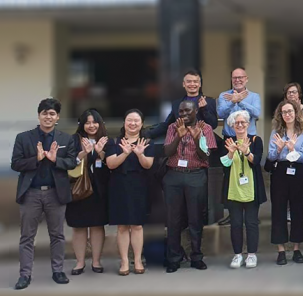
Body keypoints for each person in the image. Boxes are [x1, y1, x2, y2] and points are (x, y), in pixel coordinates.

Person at [11, 98, 77, 290]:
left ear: (58, 117)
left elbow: (72, 162)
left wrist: (56, 160)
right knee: (27, 236)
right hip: (30, 194)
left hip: (56, 193)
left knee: (57, 235)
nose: (48, 117)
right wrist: (36, 159)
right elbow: (16, 164)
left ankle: (58, 271)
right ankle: (25, 275)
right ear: (39, 115)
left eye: (52, 114)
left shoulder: (66, 139)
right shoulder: (23, 138)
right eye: (45, 113)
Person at [163, 101, 217, 273]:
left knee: (195, 218)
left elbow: (205, 156)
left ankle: (196, 257)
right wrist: (179, 136)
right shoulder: (173, 127)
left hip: (195, 175)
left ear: (196, 111)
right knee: (173, 220)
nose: (184, 114)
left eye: (187, 111)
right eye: (181, 111)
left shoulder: (205, 128)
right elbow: (167, 152)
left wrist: (196, 138)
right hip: (174, 175)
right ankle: (174, 258)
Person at [105, 109, 155, 275]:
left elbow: (148, 165)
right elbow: (111, 164)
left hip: (139, 185)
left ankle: (138, 259)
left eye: (136, 121)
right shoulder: (114, 142)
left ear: (142, 124)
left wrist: (140, 155)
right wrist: (125, 154)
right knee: (122, 226)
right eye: (129, 120)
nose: (132, 123)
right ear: (124, 122)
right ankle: (124, 261)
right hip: (119, 185)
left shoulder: (147, 142)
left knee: (137, 225)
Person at [66, 109, 113, 275]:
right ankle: (79, 262)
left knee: (97, 225)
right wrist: (84, 153)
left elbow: (112, 163)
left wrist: (100, 151)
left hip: (100, 189)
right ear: (82, 124)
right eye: (87, 122)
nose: (91, 126)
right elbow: (69, 162)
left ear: (100, 123)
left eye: (94, 122)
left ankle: (96, 261)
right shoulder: (74, 140)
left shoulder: (106, 140)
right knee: (79, 227)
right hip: (79, 189)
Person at [267, 100, 303, 265]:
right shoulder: (276, 132)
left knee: (297, 211)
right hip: (280, 172)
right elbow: (271, 156)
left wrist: (292, 149)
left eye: (290, 111)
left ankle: (296, 249)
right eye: (284, 112)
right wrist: (279, 149)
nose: (287, 114)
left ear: (296, 113)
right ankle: (281, 250)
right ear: (280, 114)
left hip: (297, 173)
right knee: (278, 210)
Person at [221, 110, 266, 269]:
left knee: (251, 223)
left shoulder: (255, 140)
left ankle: (252, 254)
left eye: (243, 122)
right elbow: (224, 166)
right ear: (232, 126)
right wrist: (230, 153)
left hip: (251, 189)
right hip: (233, 188)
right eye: (236, 123)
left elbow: (257, 161)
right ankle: (237, 254)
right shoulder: (228, 142)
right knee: (236, 224)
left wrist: (246, 152)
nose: (240, 125)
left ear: (248, 124)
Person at [146, 69, 218, 139]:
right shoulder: (177, 104)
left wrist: (204, 109)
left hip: (204, 141)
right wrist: (148, 134)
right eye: (189, 81)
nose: (192, 84)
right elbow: (167, 125)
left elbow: (213, 125)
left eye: (195, 81)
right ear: (184, 84)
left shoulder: (209, 102)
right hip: (183, 142)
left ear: (200, 84)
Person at [217, 68, 262, 137]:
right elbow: (220, 114)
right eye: (234, 78)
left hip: (249, 137)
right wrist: (232, 102)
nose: (237, 80)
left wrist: (240, 102)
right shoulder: (224, 95)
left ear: (246, 79)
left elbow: (256, 113)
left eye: (240, 77)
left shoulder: (254, 96)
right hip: (230, 137)